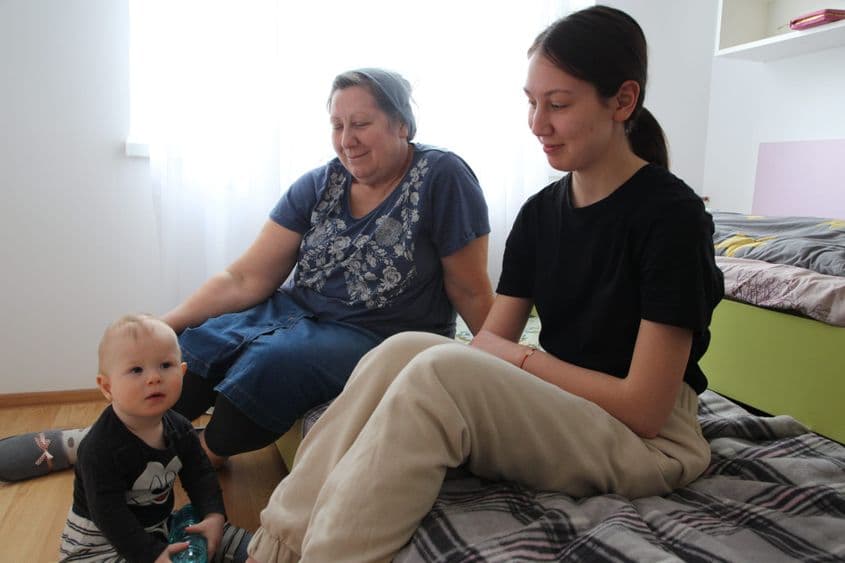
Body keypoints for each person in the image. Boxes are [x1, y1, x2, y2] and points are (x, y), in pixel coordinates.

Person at [245, 6, 725, 563]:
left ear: (622, 101)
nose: (537, 123)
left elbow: (643, 406)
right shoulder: (542, 213)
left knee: (439, 373)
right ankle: (276, 546)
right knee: (402, 350)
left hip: (649, 440)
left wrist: (521, 361)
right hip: (575, 406)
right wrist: (507, 357)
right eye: (531, 102)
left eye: (559, 104)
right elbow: (489, 344)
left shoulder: (672, 216)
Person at [162, 67, 493, 468]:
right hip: (296, 313)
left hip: (381, 333)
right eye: (337, 125)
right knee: (196, 345)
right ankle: (125, 439)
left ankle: (202, 453)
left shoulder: (443, 177)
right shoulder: (321, 183)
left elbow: (470, 289)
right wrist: (165, 325)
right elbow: (245, 277)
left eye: (361, 124)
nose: (346, 140)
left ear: (402, 124)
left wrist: (498, 367)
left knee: (270, 365)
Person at [57, 314, 242, 563]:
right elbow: (109, 515)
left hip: (159, 527)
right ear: (107, 387)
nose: (154, 377)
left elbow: (201, 476)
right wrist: (151, 554)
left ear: (182, 372)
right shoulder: (100, 448)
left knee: (239, 542)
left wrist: (213, 516)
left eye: (166, 365)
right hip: (101, 543)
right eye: (136, 369)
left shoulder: (181, 429)